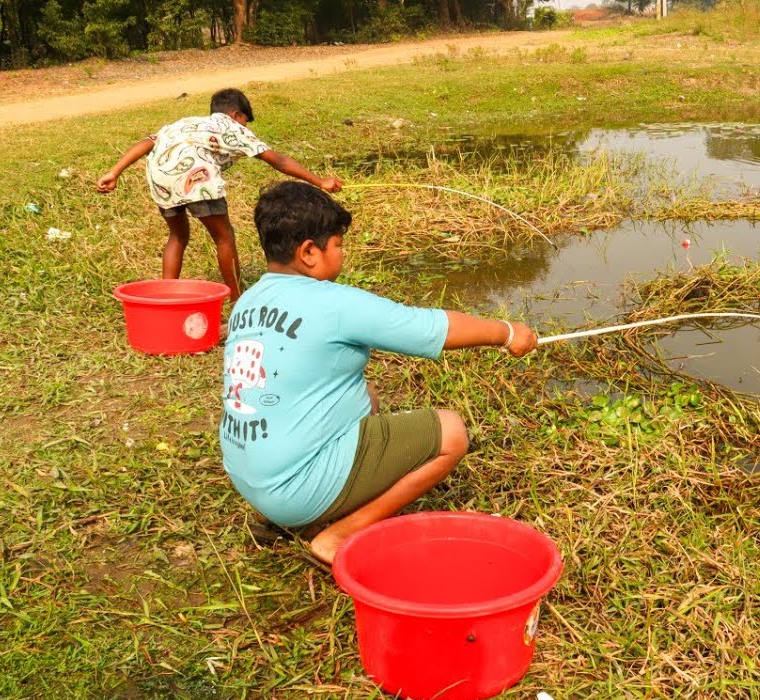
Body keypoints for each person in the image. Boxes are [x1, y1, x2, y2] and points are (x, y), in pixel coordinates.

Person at [220, 181, 539, 565]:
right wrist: (506, 333)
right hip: (294, 490)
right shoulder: (335, 303)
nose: (342, 253)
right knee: (451, 432)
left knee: (365, 395)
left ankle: (284, 514)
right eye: (338, 244)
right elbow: (430, 328)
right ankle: (336, 536)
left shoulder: (248, 301)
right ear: (309, 252)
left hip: (247, 476)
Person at [96, 88, 342, 301]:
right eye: (245, 121)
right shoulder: (233, 127)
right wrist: (319, 181)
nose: (245, 127)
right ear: (236, 115)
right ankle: (237, 300)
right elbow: (276, 159)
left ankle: (166, 293)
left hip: (160, 178)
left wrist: (114, 171)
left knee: (177, 236)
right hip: (196, 176)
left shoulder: (185, 122)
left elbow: (146, 143)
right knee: (224, 237)